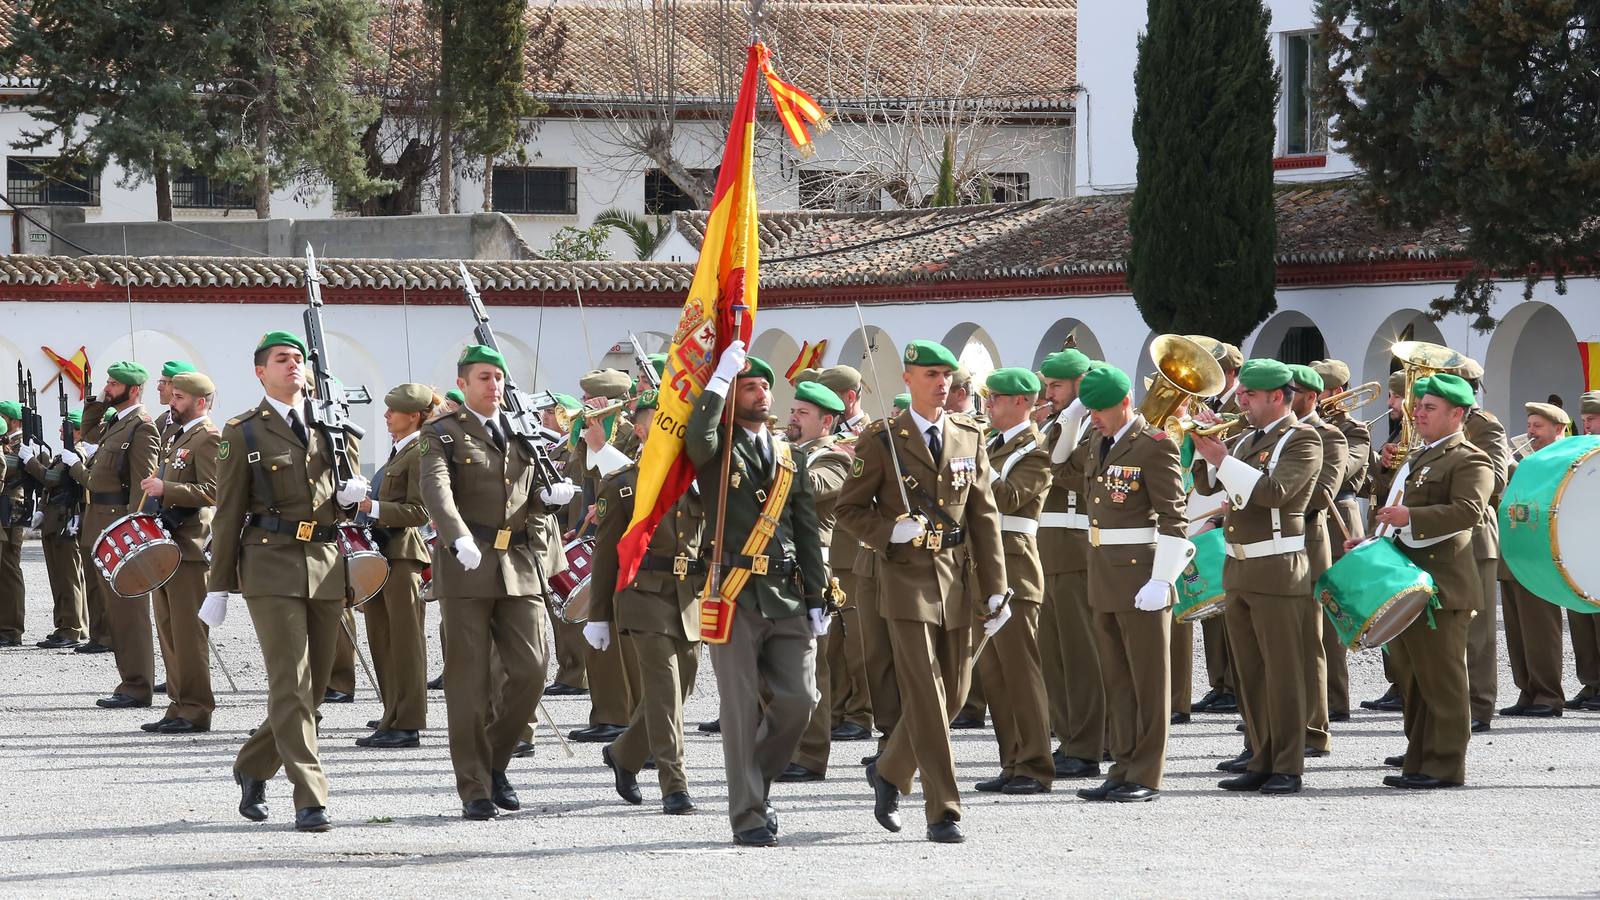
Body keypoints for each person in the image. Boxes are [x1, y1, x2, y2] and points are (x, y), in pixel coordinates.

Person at [837, 338, 1008, 844]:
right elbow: (849, 508)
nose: (941, 384)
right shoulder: (881, 437)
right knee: (928, 694)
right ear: (908, 379)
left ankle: (890, 769)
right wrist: (889, 530)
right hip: (905, 577)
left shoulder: (968, 434)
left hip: (956, 576)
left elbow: (984, 514)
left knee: (954, 692)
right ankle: (944, 809)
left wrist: (997, 587)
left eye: (947, 376)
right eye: (930, 375)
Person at [205, 331, 368, 832]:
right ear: (261, 372)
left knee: (315, 687)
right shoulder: (244, 431)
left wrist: (351, 497)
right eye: (282, 359)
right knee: (291, 682)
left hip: (323, 561)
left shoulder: (333, 425)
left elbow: (345, 498)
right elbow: (228, 512)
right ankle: (309, 796)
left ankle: (253, 764)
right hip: (269, 564)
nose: (293, 365)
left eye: (299, 358)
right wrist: (218, 585)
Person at [419, 344, 578, 820]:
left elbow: (526, 498)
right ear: (463, 384)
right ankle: (474, 786)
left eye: (499, 378)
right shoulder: (441, 434)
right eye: (484, 378)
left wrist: (550, 499)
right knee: (468, 683)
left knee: (531, 671)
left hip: (519, 565)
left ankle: (494, 760)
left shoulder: (522, 434)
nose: (494, 386)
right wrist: (456, 536)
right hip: (467, 565)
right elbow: (435, 488)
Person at [685, 343, 827, 848]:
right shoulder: (719, 445)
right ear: (733, 397)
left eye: (765, 386)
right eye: (750, 386)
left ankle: (756, 787)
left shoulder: (788, 453)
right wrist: (717, 381)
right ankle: (746, 815)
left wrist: (817, 595)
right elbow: (695, 440)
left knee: (800, 701)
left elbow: (805, 527)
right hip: (735, 593)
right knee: (740, 711)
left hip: (787, 596)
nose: (762, 393)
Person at [1192, 358, 1321, 795]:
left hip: (1277, 567)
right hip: (1240, 566)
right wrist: (1204, 447)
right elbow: (1209, 488)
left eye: (1249, 394)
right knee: (1250, 672)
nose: (1240, 400)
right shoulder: (1248, 437)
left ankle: (1288, 764)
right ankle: (1261, 757)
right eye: (1242, 393)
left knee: (1282, 672)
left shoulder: (1303, 439)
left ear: (1278, 397)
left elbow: (1274, 493)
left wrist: (1222, 458)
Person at [1070, 364, 1189, 803]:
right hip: (1103, 570)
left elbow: (1176, 519)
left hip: (1142, 575)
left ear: (1125, 403)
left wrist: (1163, 579)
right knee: (1117, 678)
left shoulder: (1155, 446)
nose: (1094, 417)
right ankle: (1121, 765)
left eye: (1101, 409)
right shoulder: (1098, 441)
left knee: (1148, 679)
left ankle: (1146, 772)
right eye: (1090, 410)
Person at [1366, 373, 1492, 788]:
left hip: (1442, 583)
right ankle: (1418, 759)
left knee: (1443, 680)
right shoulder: (1421, 455)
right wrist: (1375, 538)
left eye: (1429, 408)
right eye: (1418, 407)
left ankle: (1444, 765)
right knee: (1414, 678)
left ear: (1457, 414)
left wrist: (1411, 519)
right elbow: (1397, 507)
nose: (1418, 413)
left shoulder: (1469, 457)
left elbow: (1468, 512)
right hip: (1410, 581)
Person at [585, 389, 706, 814]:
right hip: (642, 594)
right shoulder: (623, 487)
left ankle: (624, 754)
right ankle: (675, 784)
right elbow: (604, 555)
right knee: (662, 690)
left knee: (683, 684)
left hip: (687, 597)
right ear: (640, 430)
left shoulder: (697, 482)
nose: (674, 427)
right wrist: (598, 615)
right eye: (663, 419)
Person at [971, 367, 1054, 795]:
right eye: (988, 398)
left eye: (997, 398)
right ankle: (1012, 761)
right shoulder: (991, 444)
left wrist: (976, 460)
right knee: (995, 673)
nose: (988, 406)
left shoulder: (1036, 450)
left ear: (1023, 402)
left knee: (1021, 671)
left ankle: (1037, 764)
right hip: (984, 565)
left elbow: (1008, 498)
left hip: (1015, 567)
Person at [64, 362, 161, 710]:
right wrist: (97, 401)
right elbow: (88, 435)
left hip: (119, 526)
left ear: (134, 390)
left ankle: (137, 686)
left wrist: (133, 534)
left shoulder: (143, 429)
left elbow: (142, 488)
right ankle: (130, 681)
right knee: (116, 612)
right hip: (99, 524)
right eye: (107, 382)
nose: (107, 387)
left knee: (129, 612)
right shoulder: (116, 423)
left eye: (113, 384)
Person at [135, 371, 220, 734]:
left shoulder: (209, 438)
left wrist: (165, 487)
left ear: (201, 401)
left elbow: (215, 491)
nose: (173, 401)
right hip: (167, 547)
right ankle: (177, 704)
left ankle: (197, 708)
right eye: (173, 395)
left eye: (180, 397)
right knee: (169, 632)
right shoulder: (179, 436)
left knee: (188, 634)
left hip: (189, 548)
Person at [778, 381, 854, 783]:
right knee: (774, 664)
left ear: (826, 422)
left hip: (811, 571)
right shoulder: (787, 451)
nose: (792, 418)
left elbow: (811, 489)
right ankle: (782, 747)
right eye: (793, 410)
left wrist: (767, 457)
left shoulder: (833, 459)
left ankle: (810, 756)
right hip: (774, 567)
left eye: (802, 413)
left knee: (811, 668)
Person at [353, 384, 436, 749]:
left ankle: (408, 721)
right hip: (382, 554)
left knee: (404, 642)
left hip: (403, 555)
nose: (387, 415)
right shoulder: (400, 450)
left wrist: (372, 507)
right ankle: (393, 712)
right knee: (382, 640)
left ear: (414, 415)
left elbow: (421, 511)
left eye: (393, 410)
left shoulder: (420, 451)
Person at [1037, 349, 1105, 779]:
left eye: (1056, 386)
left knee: (1081, 655)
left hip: (1078, 549)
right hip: (1050, 549)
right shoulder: (1058, 424)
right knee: (1055, 655)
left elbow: (1068, 471)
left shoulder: (1093, 428)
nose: (1049, 394)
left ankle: (1086, 744)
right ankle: (1070, 737)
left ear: (1080, 384)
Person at [572, 368, 641, 743]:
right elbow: (586, 473)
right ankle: (606, 711)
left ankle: (623, 712)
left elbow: (636, 479)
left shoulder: (632, 434)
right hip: (605, 539)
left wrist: (601, 443)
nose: (585, 407)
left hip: (629, 545)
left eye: (592, 402)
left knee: (620, 632)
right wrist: (588, 440)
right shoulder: (601, 433)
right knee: (597, 627)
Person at [1288, 364, 1346, 758]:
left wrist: (1256, 500)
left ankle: (1312, 729)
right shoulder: (1265, 435)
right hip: (1261, 546)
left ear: (1311, 396)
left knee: (1309, 641)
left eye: (1287, 390)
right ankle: (1271, 733)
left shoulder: (1329, 437)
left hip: (1305, 543)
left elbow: (1319, 493)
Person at [1497, 401, 1569, 718]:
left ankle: (1549, 695)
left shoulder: (1565, 462)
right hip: (1515, 552)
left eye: (1538, 426)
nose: (1530, 432)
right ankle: (1527, 690)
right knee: (1517, 629)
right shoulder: (1525, 461)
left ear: (1559, 430)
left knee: (1540, 627)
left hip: (1541, 555)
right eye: (1529, 425)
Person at [1310, 359, 1370, 723]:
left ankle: (1334, 699)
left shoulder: (1354, 431)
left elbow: (1340, 473)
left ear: (1337, 393)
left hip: (1339, 521)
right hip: (1308, 519)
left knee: (1331, 613)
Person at [22, 408, 88, 649]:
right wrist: (41, 508)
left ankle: (72, 629)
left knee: (67, 577)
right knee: (59, 577)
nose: (60, 431)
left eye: (66, 428)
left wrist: (29, 461)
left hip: (65, 521)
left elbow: (52, 478)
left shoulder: (77, 453)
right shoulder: (66, 454)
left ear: (78, 431)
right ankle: (65, 625)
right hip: (54, 519)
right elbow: (50, 488)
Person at [1568, 391, 1600, 711]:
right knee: (1581, 618)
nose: (1587, 424)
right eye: (1585, 418)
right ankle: (1590, 684)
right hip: (1579, 549)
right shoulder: (1578, 453)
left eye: (1593, 418)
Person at [0, 401, 30, 647]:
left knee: (9, 569)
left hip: (11, 509)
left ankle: (11, 630)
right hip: (5, 508)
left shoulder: (23, 443)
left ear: (13, 421)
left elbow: (10, 469)